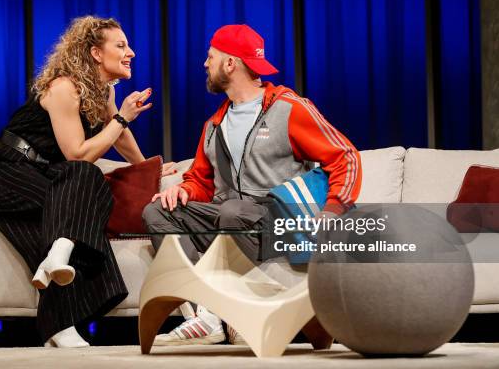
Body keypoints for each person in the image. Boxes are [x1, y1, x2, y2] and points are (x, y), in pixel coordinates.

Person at [142, 24, 362, 346]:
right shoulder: (214, 125)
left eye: (211, 56)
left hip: (279, 221)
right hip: (231, 219)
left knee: (232, 211)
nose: (205, 63)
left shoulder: (289, 109)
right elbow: (201, 180)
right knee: (158, 210)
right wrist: (184, 190)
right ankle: (207, 315)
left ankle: (271, 307)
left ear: (230, 63)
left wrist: (332, 210)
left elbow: (346, 158)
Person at [0, 16, 174, 347]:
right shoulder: (64, 87)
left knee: (83, 193)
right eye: (121, 46)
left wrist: (146, 167)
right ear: (96, 53)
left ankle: (58, 305)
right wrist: (123, 115)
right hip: (6, 171)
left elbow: (118, 134)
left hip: (45, 175)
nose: (132, 53)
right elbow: (78, 154)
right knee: (84, 174)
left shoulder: (103, 91)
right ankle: (61, 258)